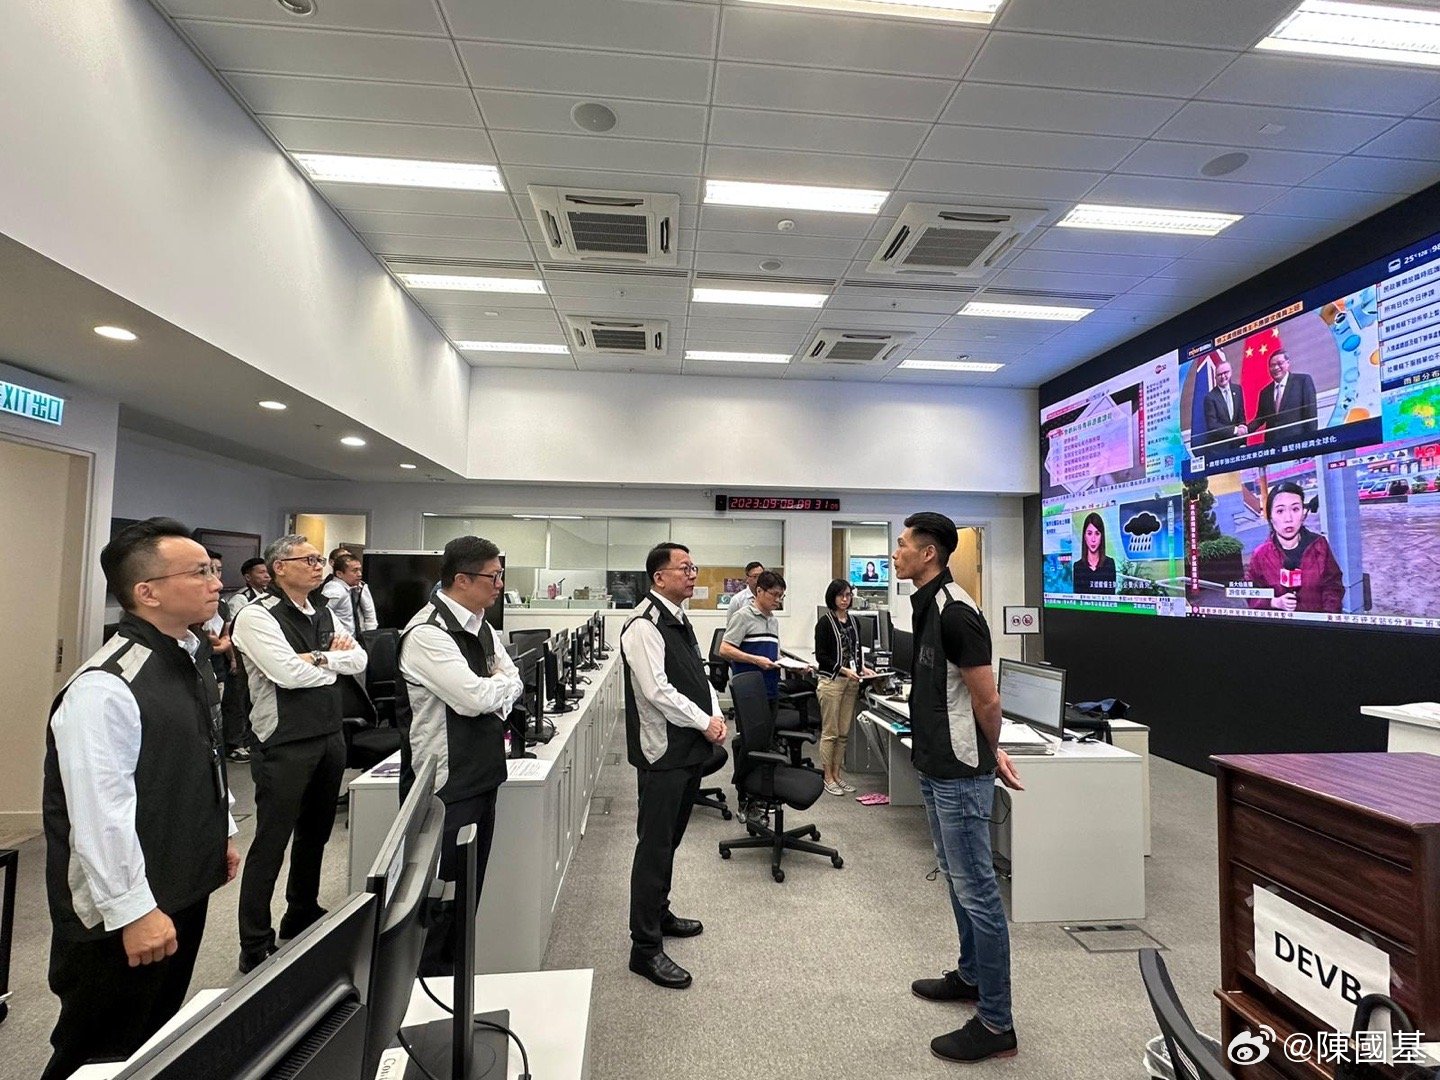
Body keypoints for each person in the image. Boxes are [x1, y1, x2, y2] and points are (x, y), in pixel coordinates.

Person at [40, 518, 239, 1080]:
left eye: (213, 570)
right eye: (199, 573)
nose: (215, 583)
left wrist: (220, 832)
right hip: (121, 908)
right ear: (147, 592)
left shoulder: (186, 654)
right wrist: (134, 911)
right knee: (99, 1051)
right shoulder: (104, 685)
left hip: (177, 878)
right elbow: (98, 814)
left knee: (153, 1034)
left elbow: (203, 753)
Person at [894, 511, 1023, 1065]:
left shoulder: (956, 611)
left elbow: (987, 699)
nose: (896, 552)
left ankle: (996, 1022)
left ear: (929, 554)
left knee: (978, 892)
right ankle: (971, 976)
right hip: (934, 765)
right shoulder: (925, 604)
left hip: (960, 772)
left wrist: (991, 751)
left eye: (903, 544)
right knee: (956, 878)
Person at [231, 534, 367, 973]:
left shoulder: (323, 610)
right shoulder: (256, 616)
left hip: (328, 732)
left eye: (318, 560)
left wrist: (318, 659)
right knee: (272, 841)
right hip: (284, 739)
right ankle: (255, 941)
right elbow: (286, 674)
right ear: (279, 567)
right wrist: (329, 662)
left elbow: (359, 660)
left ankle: (301, 910)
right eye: (307, 559)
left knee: (316, 831)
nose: (317, 565)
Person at [395, 535, 523, 976]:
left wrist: (495, 688)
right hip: (445, 786)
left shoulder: (481, 625)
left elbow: (512, 678)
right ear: (462, 579)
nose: (500, 585)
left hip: (483, 773)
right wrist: (495, 688)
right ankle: (426, 991)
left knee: (467, 894)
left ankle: (455, 990)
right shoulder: (427, 634)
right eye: (494, 577)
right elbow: (472, 699)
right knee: (440, 902)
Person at [622, 542, 727, 990]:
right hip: (662, 753)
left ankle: (659, 914)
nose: (692, 574)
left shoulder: (679, 619)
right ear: (658, 577)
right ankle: (644, 948)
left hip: (688, 749)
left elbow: (698, 676)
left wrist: (715, 713)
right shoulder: (643, 625)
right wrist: (705, 722)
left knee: (670, 842)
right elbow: (657, 691)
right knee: (654, 847)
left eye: (693, 567)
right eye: (684, 568)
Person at [814, 579, 875, 796]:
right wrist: (843, 670)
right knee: (830, 732)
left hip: (851, 682)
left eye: (848, 595)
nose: (845, 599)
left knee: (843, 733)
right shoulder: (825, 623)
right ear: (832, 597)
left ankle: (837, 774)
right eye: (841, 595)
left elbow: (856, 650)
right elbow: (821, 657)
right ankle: (827, 777)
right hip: (832, 681)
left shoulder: (854, 622)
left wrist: (861, 668)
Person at [1245, 482, 1343, 614]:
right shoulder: (1260, 555)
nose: (1288, 518)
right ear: (1271, 517)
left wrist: (1326, 617)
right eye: (1280, 511)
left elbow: (1333, 586)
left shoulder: (1319, 545)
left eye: (1295, 509)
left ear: (1303, 514)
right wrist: (1274, 602)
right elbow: (1251, 593)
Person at [719, 570, 788, 720]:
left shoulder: (773, 620)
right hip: (749, 690)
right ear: (759, 591)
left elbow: (773, 653)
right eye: (774, 594)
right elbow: (724, 649)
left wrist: (789, 664)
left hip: (770, 688)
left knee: (769, 732)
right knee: (752, 733)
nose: (778, 600)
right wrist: (756, 660)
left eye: (781, 596)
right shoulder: (743, 616)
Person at [219, 555, 269, 762]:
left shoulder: (268, 596)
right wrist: (233, 659)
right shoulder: (241, 599)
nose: (266, 576)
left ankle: (249, 739)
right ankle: (235, 744)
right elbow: (232, 632)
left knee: (252, 699)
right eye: (261, 572)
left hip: (261, 656)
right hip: (242, 657)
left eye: (267, 572)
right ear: (248, 577)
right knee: (237, 702)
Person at [1252, 348, 1317, 447]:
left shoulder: (1302, 381)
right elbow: (1260, 419)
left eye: (1279, 363)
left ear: (1288, 363)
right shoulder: (1265, 392)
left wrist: (1312, 442)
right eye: (1272, 365)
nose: (1276, 368)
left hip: (1297, 444)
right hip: (1272, 446)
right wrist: (1244, 429)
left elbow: (1311, 414)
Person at [321, 550, 378, 638]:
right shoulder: (334, 589)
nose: (359, 574)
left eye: (359, 570)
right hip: (340, 641)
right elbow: (322, 618)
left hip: (354, 638)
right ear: (339, 574)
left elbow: (370, 614)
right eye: (354, 571)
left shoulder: (354, 588)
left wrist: (370, 637)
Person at [1200, 357, 1248, 449]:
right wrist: (1235, 430)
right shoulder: (1210, 397)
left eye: (1225, 372)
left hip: (1237, 445)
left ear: (1230, 372)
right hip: (1220, 448)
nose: (1223, 377)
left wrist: (1242, 431)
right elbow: (1212, 425)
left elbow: (1241, 415)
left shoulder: (1238, 389)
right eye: (1219, 374)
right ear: (1215, 377)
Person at [1070, 513, 1118, 595]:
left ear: (1101, 536)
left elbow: (1111, 595)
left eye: (1097, 533)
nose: (1093, 539)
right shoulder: (1078, 566)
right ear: (1084, 536)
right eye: (1089, 533)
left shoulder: (1109, 563)